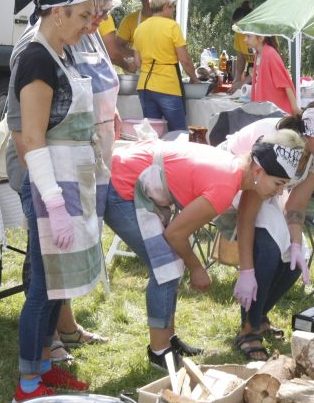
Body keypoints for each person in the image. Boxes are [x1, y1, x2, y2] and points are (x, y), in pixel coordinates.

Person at [106, 137, 300, 370]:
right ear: (258, 171)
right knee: (166, 268)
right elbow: (175, 235)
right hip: (120, 185)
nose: (279, 192)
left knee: (171, 264)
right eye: (278, 184)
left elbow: (180, 231)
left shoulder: (240, 172)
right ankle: (159, 353)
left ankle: (168, 340)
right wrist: (197, 268)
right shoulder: (224, 188)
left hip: (132, 170)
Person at [6, 0, 117, 363]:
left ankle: (46, 366)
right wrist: (52, 203)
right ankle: (31, 377)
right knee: (42, 287)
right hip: (46, 185)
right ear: (57, 13)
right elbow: (30, 137)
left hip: (68, 181)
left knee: (56, 285)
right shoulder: (35, 58)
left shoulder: (60, 51)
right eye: (84, 16)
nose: (90, 25)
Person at [220, 103, 314, 360]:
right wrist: (246, 271)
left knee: (295, 256)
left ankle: (259, 315)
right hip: (232, 179)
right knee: (267, 247)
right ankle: (249, 330)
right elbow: (247, 214)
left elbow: (296, 204)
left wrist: (297, 245)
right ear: (307, 132)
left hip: (272, 187)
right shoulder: (281, 144)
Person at [132, 0, 199, 133]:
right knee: (178, 132)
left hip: (144, 86)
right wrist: (194, 78)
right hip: (167, 85)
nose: (174, 10)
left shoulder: (140, 28)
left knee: (152, 133)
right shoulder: (172, 26)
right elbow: (184, 59)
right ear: (166, 6)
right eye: (173, 6)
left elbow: (137, 62)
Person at [243, 33, 299, 114]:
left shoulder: (270, 54)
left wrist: (295, 108)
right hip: (266, 109)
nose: (245, 39)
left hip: (276, 111)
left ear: (261, 37)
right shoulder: (258, 54)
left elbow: (285, 84)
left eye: (248, 36)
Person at [115, 0, 158, 72]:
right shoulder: (130, 20)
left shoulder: (166, 20)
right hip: (135, 73)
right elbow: (117, 47)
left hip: (158, 70)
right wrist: (135, 54)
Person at [230, 1, 254, 90]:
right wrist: (237, 77)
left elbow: (260, 69)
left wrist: (242, 83)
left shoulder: (260, 34)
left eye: (240, 27)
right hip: (251, 69)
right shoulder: (239, 33)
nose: (244, 38)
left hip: (263, 73)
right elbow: (241, 57)